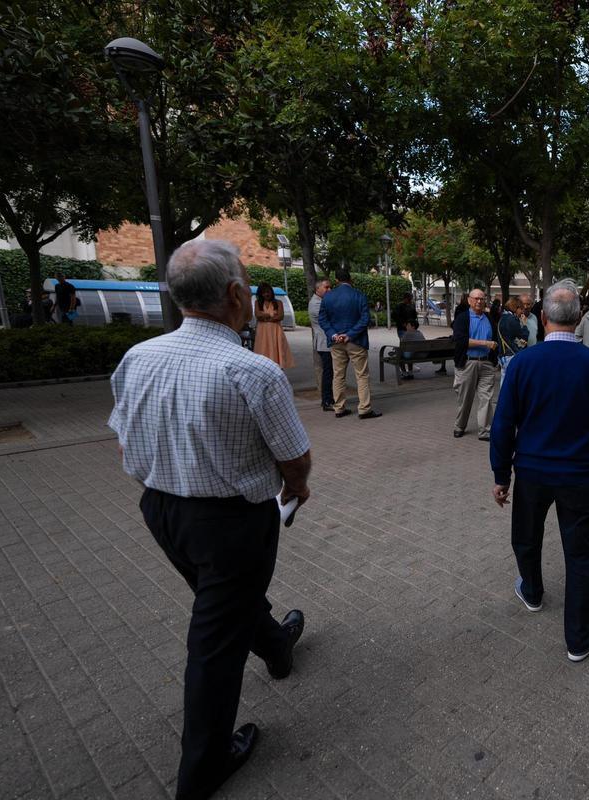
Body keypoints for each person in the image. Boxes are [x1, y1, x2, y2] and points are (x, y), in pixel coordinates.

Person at [107, 239, 311, 800]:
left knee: (225, 600)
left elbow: (124, 443)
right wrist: (296, 489)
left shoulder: (137, 358)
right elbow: (294, 458)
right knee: (214, 639)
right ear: (235, 295)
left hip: (161, 510)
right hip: (231, 522)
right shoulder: (253, 371)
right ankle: (203, 766)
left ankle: (274, 643)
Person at [489, 278, 589, 662]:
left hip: (531, 472)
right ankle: (579, 639)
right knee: (580, 553)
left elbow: (503, 425)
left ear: (544, 317)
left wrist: (501, 476)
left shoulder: (522, 364)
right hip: (580, 475)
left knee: (526, 536)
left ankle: (531, 591)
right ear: (578, 317)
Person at [318, 270, 380, 419]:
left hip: (336, 342)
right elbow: (365, 319)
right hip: (356, 341)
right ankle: (364, 408)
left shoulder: (327, 297)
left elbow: (323, 319)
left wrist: (334, 334)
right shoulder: (359, 295)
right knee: (362, 375)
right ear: (351, 279)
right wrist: (350, 334)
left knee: (338, 375)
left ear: (337, 280)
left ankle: (339, 408)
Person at [451, 288, 501, 439]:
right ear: (469, 301)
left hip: (486, 363)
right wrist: (485, 343)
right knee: (465, 398)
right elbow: (460, 341)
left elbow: (496, 339)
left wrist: (494, 359)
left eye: (482, 298)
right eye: (476, 299)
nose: (479, 301)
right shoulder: (462, 318)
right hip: (468, 363)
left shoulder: (489, 317)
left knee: (487, 398)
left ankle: (485, 430)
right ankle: (460, 426)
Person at [307, 279, 334, 410]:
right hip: (324, 343)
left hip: (326, 342)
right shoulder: (316, 304)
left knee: (331, 372)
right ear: (318, 289)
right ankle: (327, 401)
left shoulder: (321, 302)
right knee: (328, 373)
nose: (329, 290)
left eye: (330, 287)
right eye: (326, 287)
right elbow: (330, 318)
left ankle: (329, 399)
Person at [253, 284, 295, 369]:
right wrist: (271, 315)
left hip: (276, 331)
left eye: (268, 292)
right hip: (262, 331)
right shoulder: (257, 303)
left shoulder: (278, 302)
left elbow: (280, 316)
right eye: (264, 292)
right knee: (263, 349)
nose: (266, 294)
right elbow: (257, 315)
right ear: (260, 294)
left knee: (276, 349)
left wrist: (265, 316)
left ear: (271, 292)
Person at [498, 297, 529, 373]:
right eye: (521, 309)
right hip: (511, 355)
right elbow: (523, 336)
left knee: (505, 380)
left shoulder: (503, 318)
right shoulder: (512, 319)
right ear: (516, 308)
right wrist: (524, 325)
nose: (522, 312)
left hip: (504, 355)